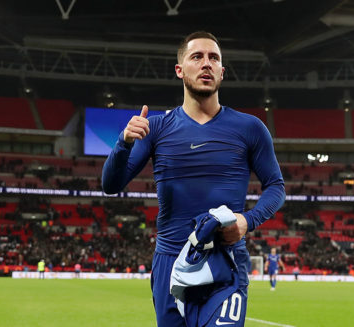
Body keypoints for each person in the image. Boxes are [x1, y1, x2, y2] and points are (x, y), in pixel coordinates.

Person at [102, 31, 285, 327]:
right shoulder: (156, 128)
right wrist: (123, 143)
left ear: (222, 72)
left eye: (214, 58)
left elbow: (276, 187)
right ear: (180, 69)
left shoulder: (251, 128)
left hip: (226, 262)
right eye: (197, 57)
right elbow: (111, 185)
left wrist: (247, 221)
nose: (206, 64)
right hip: (170, 261)